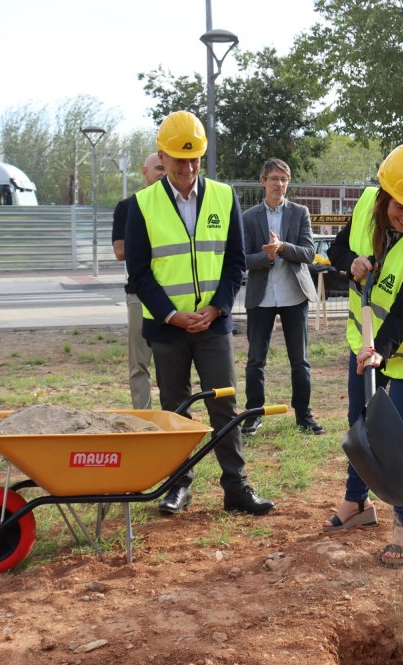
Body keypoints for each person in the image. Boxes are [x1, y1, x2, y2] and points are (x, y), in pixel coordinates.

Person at [126, 110, 273, 516]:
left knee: (224, 404)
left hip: (214, 324)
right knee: (176, 408)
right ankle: (178, 485)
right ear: (162, 155)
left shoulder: (224, 197)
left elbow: (235, 261)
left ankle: (236, 487)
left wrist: (218, 307)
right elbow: (138, 272)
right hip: (167, 328)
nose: (187, 167)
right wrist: (171, 315)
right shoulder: (142, 204)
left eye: (195, 159)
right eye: (178, 159)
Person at [323, 143, 403, 568]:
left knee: (399, 428)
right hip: (363, 342)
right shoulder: (364, 205)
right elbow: (336, 249)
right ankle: (356, 504)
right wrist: (351, 264)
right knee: (359, 421)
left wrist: (383, 351)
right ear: (384, 194)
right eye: (401, 207)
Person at [241, 158, 324, 436]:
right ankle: (253, 415)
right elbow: (241, 259)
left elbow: (309, 253)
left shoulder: (299, 212)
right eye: (274, 178)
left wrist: (283, 247)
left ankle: (303, 415)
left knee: (299, 360)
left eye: (284, 179)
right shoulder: (249, 217)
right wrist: (267, 255)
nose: (280, 184)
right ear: (262, 181)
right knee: (255, 361)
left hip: (293, 296)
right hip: (261, 298)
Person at [111, 152, 165, 409]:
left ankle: (173, 416)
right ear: (145, 171)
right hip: (139, 296)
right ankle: (145, 420)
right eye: (158, 168)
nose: (163, 173)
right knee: (139, 364)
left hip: (172, 296)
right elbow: (120, 251)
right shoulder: (127, 207)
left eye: (166, 168)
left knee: (171, 363)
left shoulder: (177, 207)